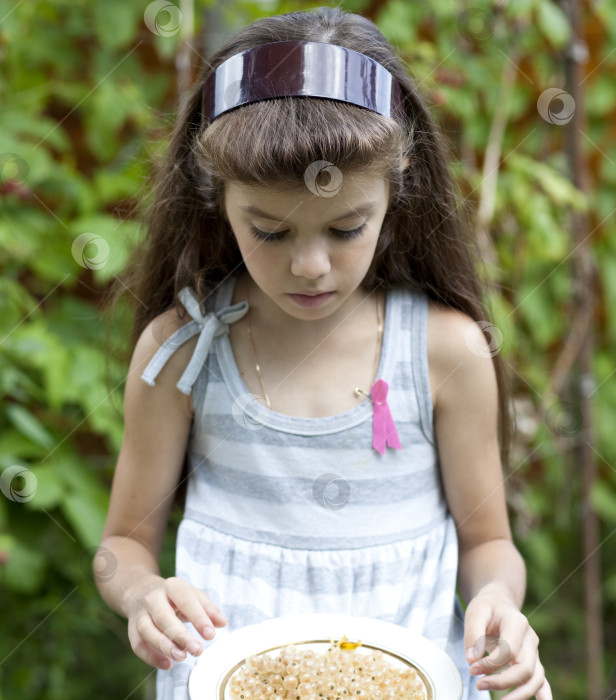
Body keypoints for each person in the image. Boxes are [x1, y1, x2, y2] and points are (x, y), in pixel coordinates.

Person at [95, 6, 551, 700]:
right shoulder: (181, 352)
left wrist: (499, 605)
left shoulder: (442, 352)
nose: (310, 266)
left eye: (345, 228)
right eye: (271, 232)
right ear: (219, 198)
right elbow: (122, 547)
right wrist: (142, 597)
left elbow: (489, 543)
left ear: (397, 181)